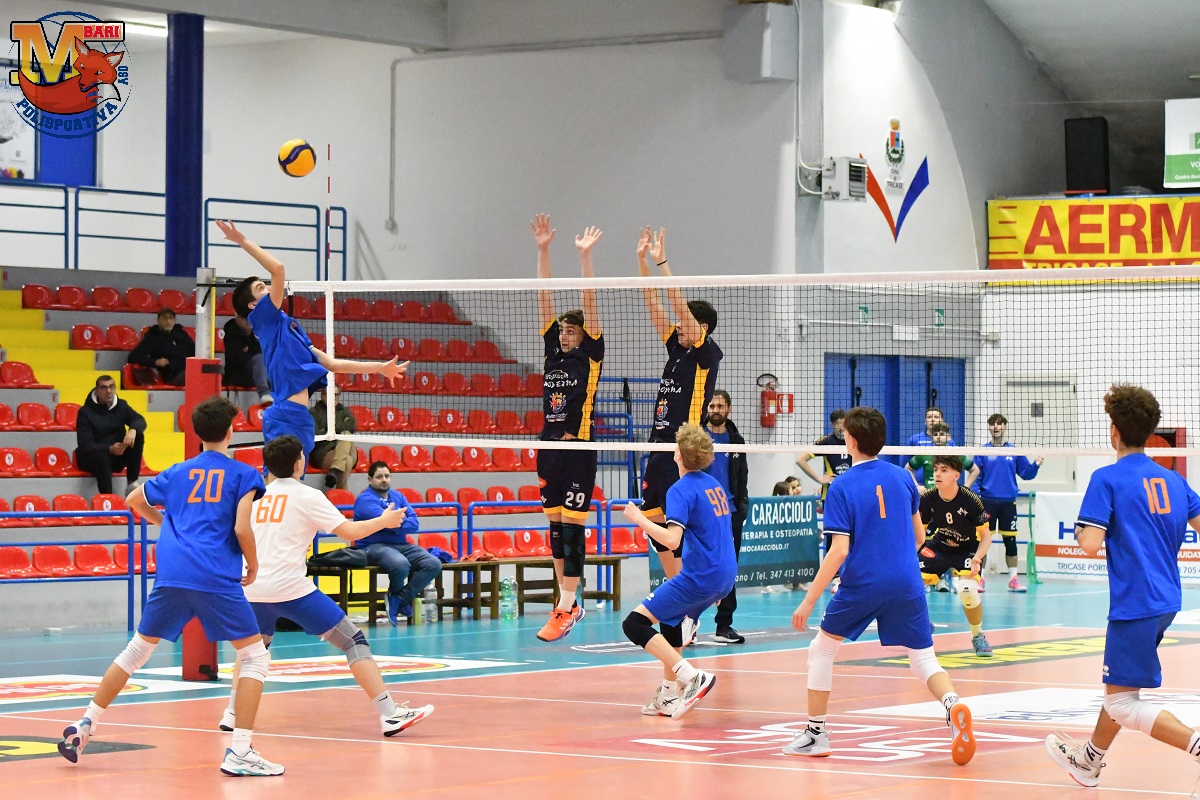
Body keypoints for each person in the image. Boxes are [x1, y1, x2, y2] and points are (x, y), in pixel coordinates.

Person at [57, 397, 282, 777]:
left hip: (173, 573)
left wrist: (165, 525)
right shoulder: (245, 475)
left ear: (197, 432)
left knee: (136, 651)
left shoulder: (178, 472)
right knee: (255, 657)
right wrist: (255, 564)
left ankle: (85, 723)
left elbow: (133, 498)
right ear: (231, 431)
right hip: (214, 574)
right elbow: (242, 527)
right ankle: (241, 750)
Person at [784, 406, 975, 766]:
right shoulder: (903, 478)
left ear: (851, 441)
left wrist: (808, 600)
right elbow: (919, 537)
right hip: (907, 580)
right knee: (923, 658)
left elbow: (839, 551)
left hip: (864, 582)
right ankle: (953, 705)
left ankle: (815, 734)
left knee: (822, 649)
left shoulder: (841, 486)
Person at [218, 436, 434, 737]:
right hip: (290, 589)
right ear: (300, 463)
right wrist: (385, 521)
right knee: (353, 640)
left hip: (250, 588)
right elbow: (350, 531)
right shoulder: (307, 496)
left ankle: (232, 712)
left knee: (252, 653)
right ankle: (390, 714)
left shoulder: (251, 497)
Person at [1045, 384, 1200, 789]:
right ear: (1150, 432)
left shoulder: (1107, 479)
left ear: (1113, 430)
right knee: (1120, 688)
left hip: (1135, 603)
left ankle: (1196, 745)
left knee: (1122, 703)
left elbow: (1090, 543)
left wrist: (1082, 529)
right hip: (1167, 600)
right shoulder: (1174, 480)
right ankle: (1088, 761)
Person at [220, 219, 406, 463]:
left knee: (295, 479)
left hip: (300, 416)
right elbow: (278, 269)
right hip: (284, 414)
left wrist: (380, 368)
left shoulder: (290, 328)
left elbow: (333, 364)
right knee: (278, 479)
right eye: (261, 287)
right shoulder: (263, 320)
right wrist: (242, 240)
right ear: (254, 305)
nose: (269, 287)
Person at [621, 424, 736, 718]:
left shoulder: (680, 490)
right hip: (724, 574)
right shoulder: (714, 484)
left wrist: (639, 518)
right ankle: (668, 696)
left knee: (634, 624)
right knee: (670, 622)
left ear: (678, 455)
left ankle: (691, 676)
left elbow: (672, 540)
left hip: (700, 576)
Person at [530, 214, 605, 642]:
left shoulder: (589, 355)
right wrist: (543, 250)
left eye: (571, 331)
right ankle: (567, 601)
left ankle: (567, 604)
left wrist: (584, 257)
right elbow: (545, 297)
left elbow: (589, 300)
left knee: (574, 529)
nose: (564, 335)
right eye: (562, 330)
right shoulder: (552, 353)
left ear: (583, 335)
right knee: (556, 530)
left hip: (579, 449)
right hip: (548, 448)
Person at [637, 226, 722, 585]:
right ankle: (676, 595)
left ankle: (688, 593)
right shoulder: (677, 347)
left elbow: (674, 302)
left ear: (701, 327)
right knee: (653, 523)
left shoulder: (706, 354)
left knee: (676, 528)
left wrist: (662, 262)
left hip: (681, 448)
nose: (677, 326)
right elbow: (653, 302)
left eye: (685, 322)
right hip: (657, 446)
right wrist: (641, 261)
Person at [918, 455, 994, 657]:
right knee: (912, 584)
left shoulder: (970, 499)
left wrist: (978, 558)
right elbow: (919, 534)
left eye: (944, 470)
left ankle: (978, 636)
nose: (937, 474)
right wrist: (909, 556)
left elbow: (986, 536)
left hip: (969, 548)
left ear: (956, 475)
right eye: (936, 469)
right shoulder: (928, 498)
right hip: (940, 545)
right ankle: (922, 624)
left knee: (967, 590)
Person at [352, 461, 443, 626]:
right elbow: (388, 522)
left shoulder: (398, 496)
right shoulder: (365, 500)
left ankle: (399, 598)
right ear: (370, 479)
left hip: (400, 545)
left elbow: (414, 523)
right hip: (372, 546)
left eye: (387, 476)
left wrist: (391, 525)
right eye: (379, 477)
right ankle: (397, 599)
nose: (384, 480)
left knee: (433, 564)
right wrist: (392, 524)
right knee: (401, 564)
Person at [966, 413, 1043, 593]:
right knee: (983, 541)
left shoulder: (1013, 451)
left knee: (1010, 541)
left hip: (1008, 503)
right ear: (989, 428)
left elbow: (1026, 474)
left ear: (1004, 427)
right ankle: (979, 579)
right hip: (987, 502)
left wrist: (1036, 464)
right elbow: (976, 477)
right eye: (992, 424)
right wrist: (975, 498)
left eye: (999, 424)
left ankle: (1013, 580)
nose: (995, 427)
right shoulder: (983, 451)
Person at [702, 390, 748, 644]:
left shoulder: (736, 440)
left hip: (729, 514)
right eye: (712, 406)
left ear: (728, 409)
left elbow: (742, 476)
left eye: (720, 406)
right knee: (697, 568)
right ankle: (689, 623)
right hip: (701, 514)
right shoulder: (698, 436)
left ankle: (724, 625)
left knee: (729, 570)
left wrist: (741, 508)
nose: (715, 410)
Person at [795, 409, 852, 592]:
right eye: (838, 424)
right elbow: (801, 460)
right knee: (834, 537)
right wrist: (820, 479)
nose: (841, 428)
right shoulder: (826, 442)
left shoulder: (853, 440)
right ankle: (835, 578)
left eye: (844, 424)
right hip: (832, 496)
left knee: (855, 536)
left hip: (853, 495)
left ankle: (851, 576)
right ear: (833, 425)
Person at [75, 374, 147, 495]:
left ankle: (132, 484)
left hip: (116, 455)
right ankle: (107, 497)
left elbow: (140, 420)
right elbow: (85, 445)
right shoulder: (85, 412)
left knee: (138, 436)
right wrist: (109, 449)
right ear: (97, 391)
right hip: (92, 458)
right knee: (101, 456)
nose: (108, 391)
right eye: (104, 388)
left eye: (111, 387)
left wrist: (133, 430)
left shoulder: (121, 405)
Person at [127, 308, 194, 385]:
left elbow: (194, 350)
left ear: (174, 320)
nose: (168, 321)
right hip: (173, 375)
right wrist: (155, 361)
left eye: (171, 318)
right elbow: (133, 356)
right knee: (197, 375)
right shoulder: (152, 336)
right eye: (164, 318)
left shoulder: (182, 334)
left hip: (189, 369)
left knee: (202, 371)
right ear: (158, 320)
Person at [309, 388, 357, 490]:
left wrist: (329, 430)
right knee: (347, 461)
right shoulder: (313, 413)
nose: (333, 397)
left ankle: (335, 470)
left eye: (336, 394)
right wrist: (336, 431)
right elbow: (316, 434)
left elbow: (351, 427)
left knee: (346, 434)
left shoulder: (345, 411)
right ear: (322, 395)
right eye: (329, 394)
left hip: (346, 448)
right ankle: (341, 492)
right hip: (324, 452)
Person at [223, 314, 272, 405]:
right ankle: (264, 393)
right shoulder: (230, 327)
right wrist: (251, 353)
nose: (248, 321)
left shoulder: (257, 330)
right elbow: (235, 358)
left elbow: (263, 352)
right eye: (244, 318)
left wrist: (248, 349)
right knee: (259, 359)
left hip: (256, 373)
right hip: (237, 374)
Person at [906, 422, 972, 490]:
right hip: (930, 493)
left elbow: (974, 470)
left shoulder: (955, 454)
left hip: (950, 494)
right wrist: (917, 486)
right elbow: (908, 468)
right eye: (935, 434)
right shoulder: (925, 453)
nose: (938, 437)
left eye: (942, 434)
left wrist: (965, 487)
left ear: (948, 437)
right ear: (932, 438)